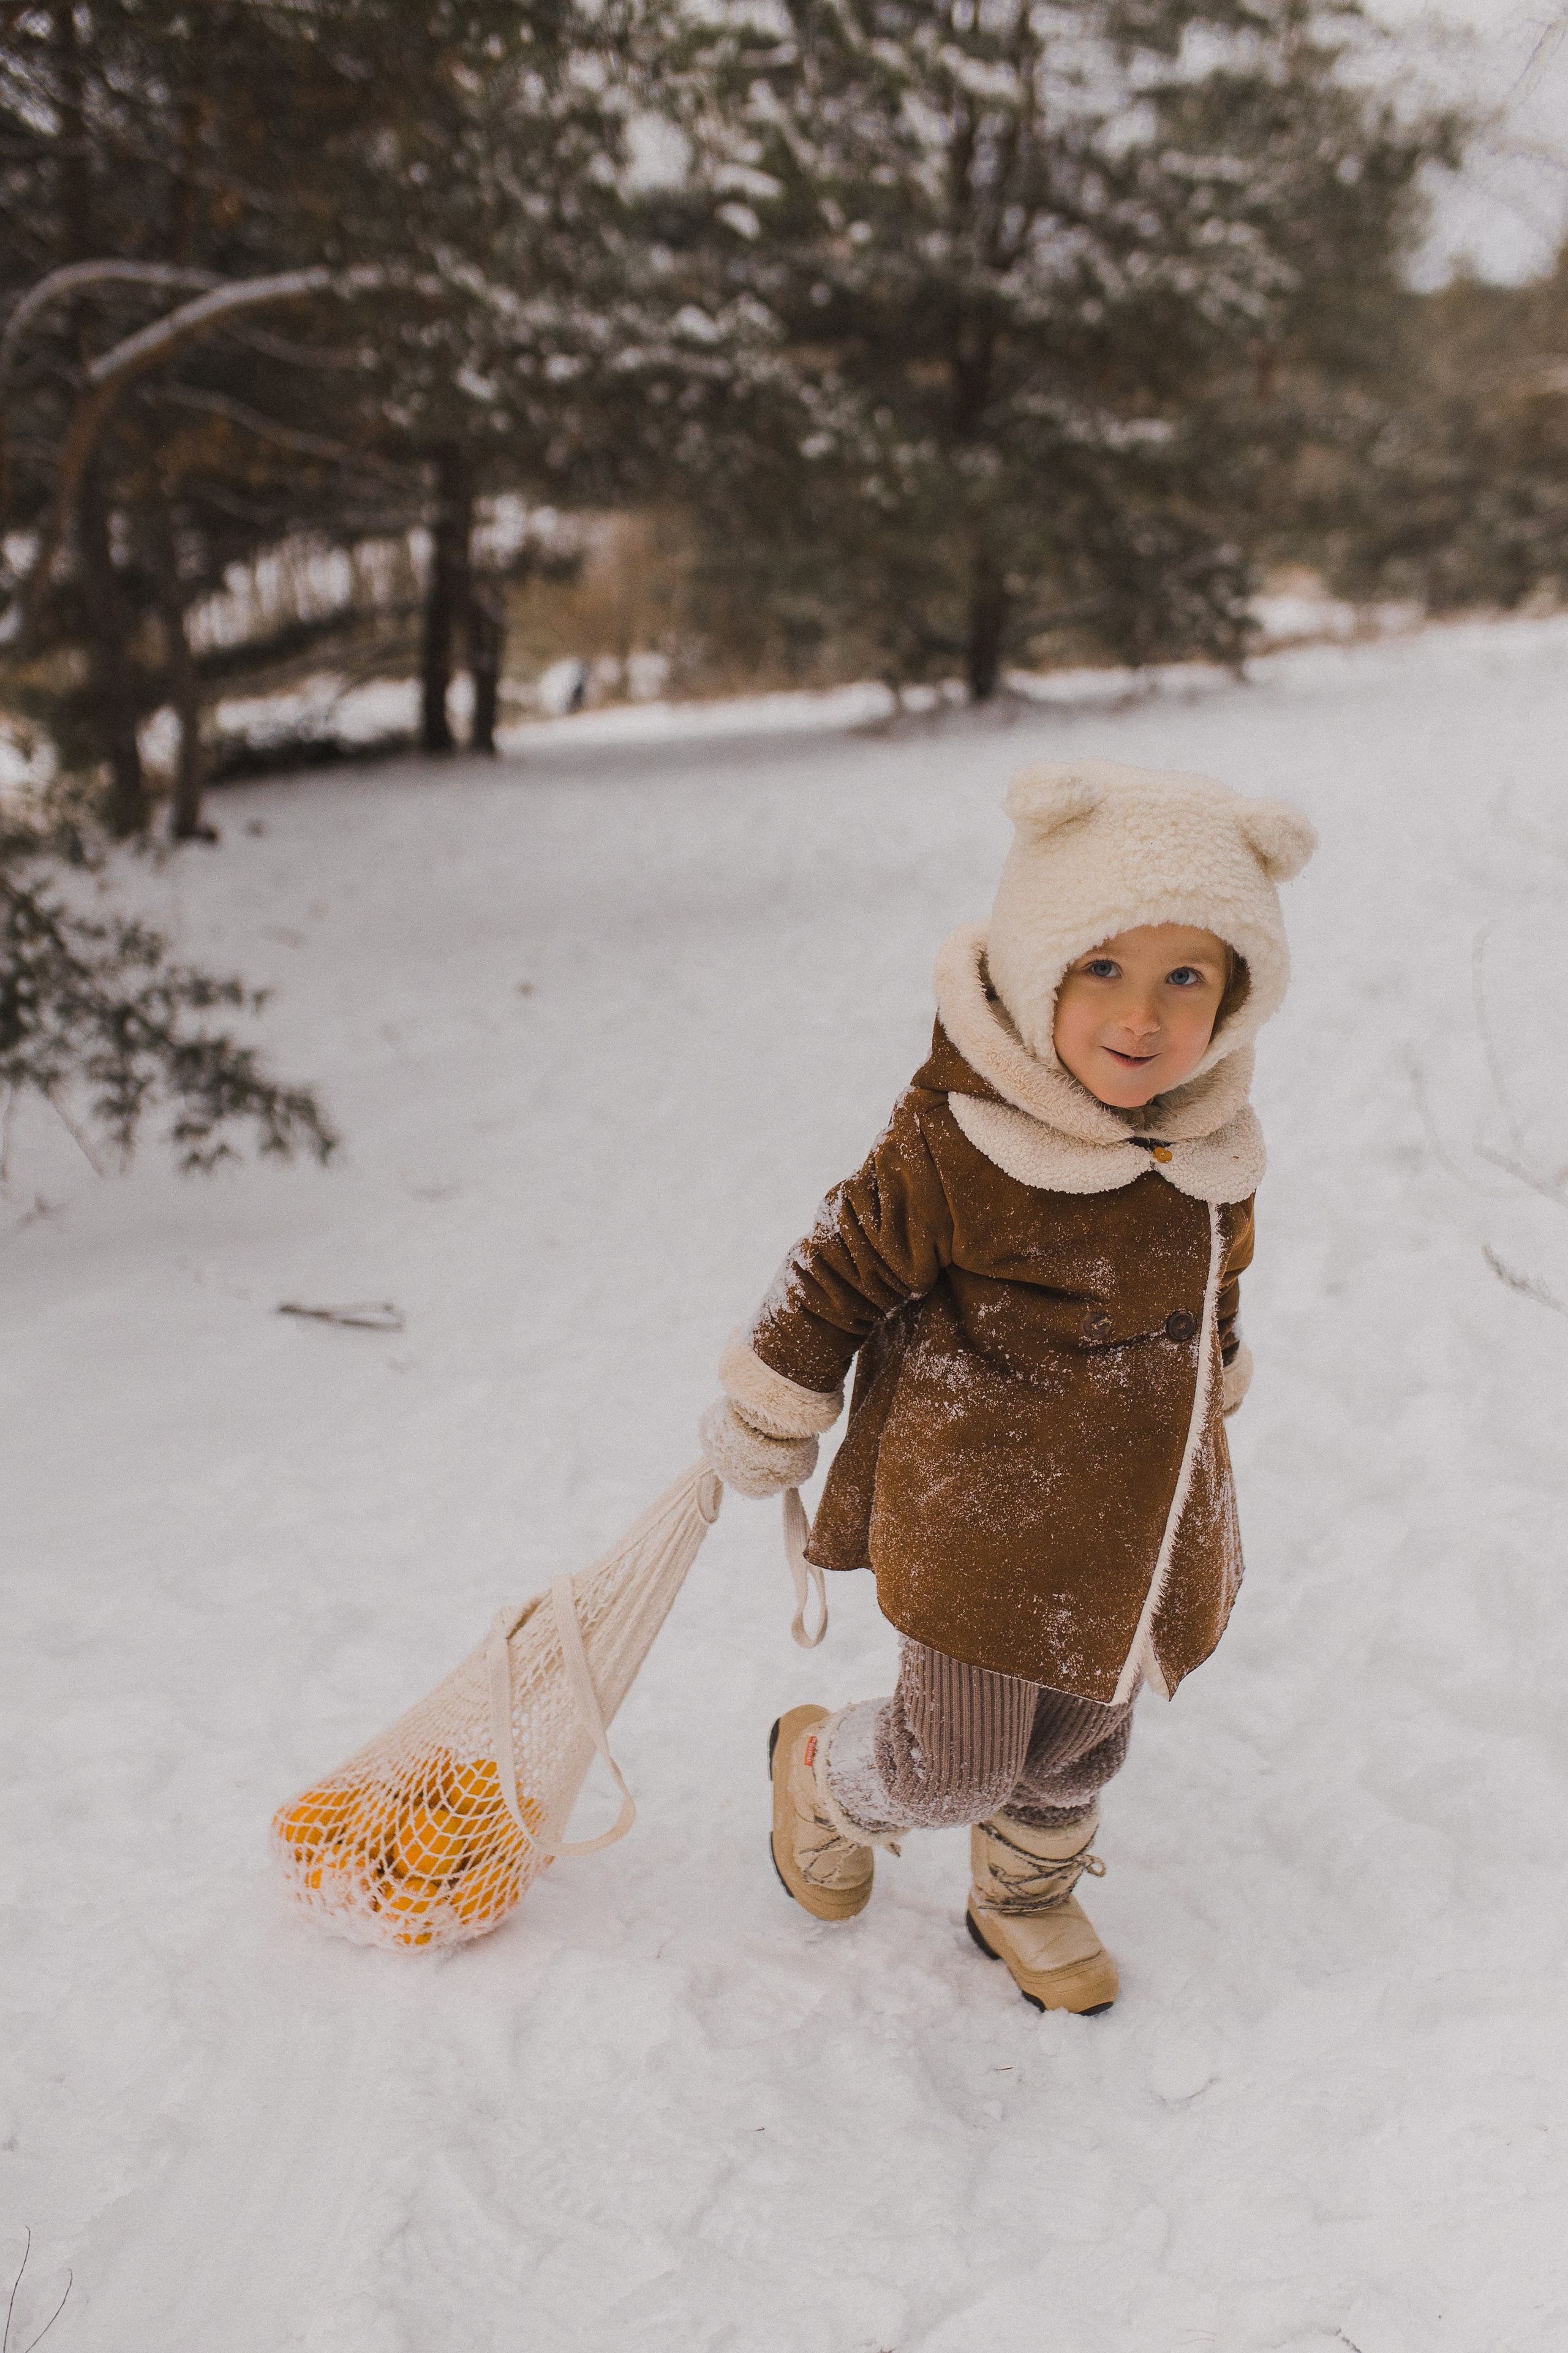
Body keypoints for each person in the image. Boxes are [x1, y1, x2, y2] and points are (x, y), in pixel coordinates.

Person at [699, 756, 1316, 2014]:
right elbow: (835, 1264)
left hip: (1136, 1518)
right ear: (1039, 965)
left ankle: (1024, 1889)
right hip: (983, 1513)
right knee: (954, 1759)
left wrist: (1224, 1362)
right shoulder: (960, 1137)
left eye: (1181, 978)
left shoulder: (1209, 1148)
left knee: (1084, 1735)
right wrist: (776, 1398)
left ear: (1234, 995)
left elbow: (1215, 1275)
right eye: (1101, 968)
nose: (1138, 1017)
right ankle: (824, 1772)